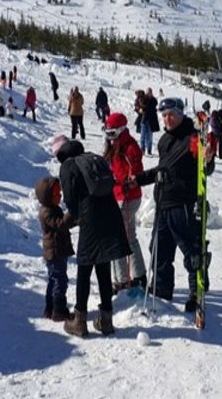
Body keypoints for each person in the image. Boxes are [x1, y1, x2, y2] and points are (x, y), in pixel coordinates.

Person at [128, 97, 213, 312]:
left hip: (183, 203)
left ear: (181, 113)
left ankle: (196, 292)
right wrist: (139, 179)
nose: (167, 119)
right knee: (159, 249)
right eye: (164, 115)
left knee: (190, 251)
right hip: (163, 203)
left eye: (171, 114)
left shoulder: (192, 137)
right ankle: (161, 288)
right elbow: (161, 170)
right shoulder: (165, 140)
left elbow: (205, 166)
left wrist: (208, 159)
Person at [53, 136, 131, 337]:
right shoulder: (94, 158)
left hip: (91, 217)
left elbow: (71, 201)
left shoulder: (68, 166)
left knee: (85, 267)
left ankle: (79, 321)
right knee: (103, 266)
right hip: (111, 213)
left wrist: (73, 219)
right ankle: (106, 320)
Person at [103, 113, 147, 293]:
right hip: (118, 196)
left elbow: (136, 172)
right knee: (129, 237)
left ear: (121, 131)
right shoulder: (114, 146)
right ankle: (139, 275)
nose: (110, 138)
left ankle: (121, 280)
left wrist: (122, 180)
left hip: (128, 197)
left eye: (112, 134)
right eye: (107, 134)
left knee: (117, 237)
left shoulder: (130, 148)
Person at [35, 176, 76, 322]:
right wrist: (71, 214)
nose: (60, 197)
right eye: (57, 195)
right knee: (60, 280)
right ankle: (59, 310)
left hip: (57, 250)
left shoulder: (53, 208)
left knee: (53, 279)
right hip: (55, 251)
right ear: (47, 197)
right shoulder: (46, 212)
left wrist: (75, 220)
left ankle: (50, 308)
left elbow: (64, 224)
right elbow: (59, 224)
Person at [139, 88, 159, 156]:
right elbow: (141, 104)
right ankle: (142, 150)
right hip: (144, 121)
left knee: (149, 137)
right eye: (147, 92)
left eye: (150, 92)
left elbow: (155, 104)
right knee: (142, 136)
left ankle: (149, 150)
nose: (148, 94)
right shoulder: (144, 99)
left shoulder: (153, 100)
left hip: (151, 121)